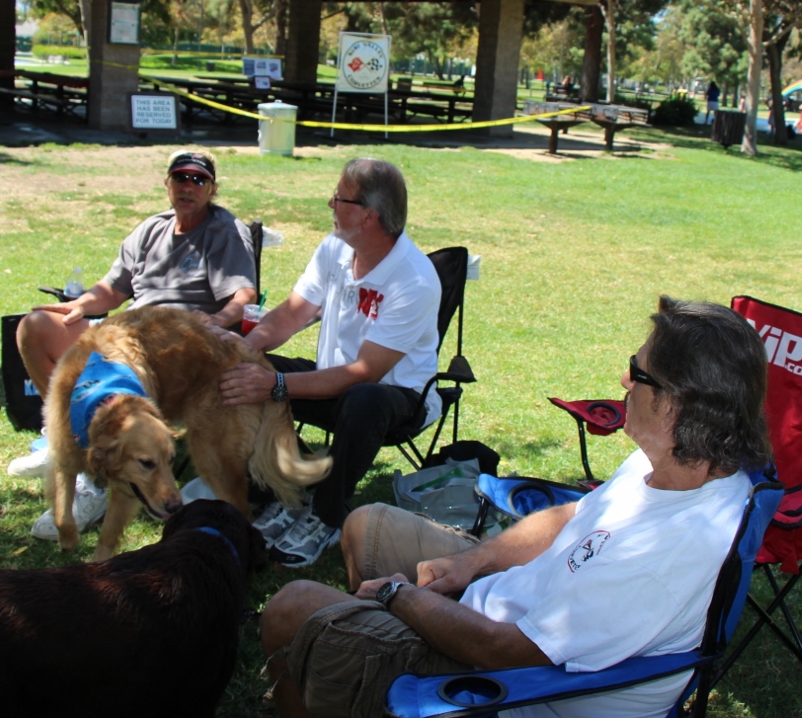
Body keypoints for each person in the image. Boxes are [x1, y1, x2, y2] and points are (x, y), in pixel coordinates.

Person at [259, 296, 772, 718]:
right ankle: (358, 674)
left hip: (512, 688)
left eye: (637, 372)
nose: (622, 381)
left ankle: (360, 670)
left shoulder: (666, 554)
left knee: (289, 609)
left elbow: (503, 652)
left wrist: (399, 597)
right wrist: (469, 563)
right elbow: (576, 517)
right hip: (499, 614)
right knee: (364, 525)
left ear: (675, 405)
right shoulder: (675, 461)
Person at [13, 150, 258, 539]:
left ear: (212, 189)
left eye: (198, 180)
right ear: (167, 184)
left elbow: (244, 294)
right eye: (180, 178)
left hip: (175, 347)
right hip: (125, 333)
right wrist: (80, 304)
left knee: (124, 363)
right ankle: (74, 443)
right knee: (36, 327)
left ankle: (97, 483)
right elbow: (113, 288)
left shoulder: (223, 231)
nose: (188, 187)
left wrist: (219, 320)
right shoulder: (151, 230)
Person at [218, 158, 441, 567]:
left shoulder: (414, 279)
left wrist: (274, 385)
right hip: (331, 379)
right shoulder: (336, 248)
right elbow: (291, 314)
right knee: (237, 375)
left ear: (369, 215)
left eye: (339, 198)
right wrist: (245, 349)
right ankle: (292, 490)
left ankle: (326, 514)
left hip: (396, 395)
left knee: (363, 399)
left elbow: (364, 373)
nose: (329, 203)